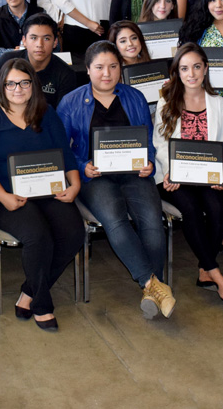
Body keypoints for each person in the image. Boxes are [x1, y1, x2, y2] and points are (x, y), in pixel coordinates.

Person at [57, 41, 174, 318]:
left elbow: (147, 141)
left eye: (112, 66)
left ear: (120, 68)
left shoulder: (134, 97)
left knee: (152, 224)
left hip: (134, 174)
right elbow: (61, 149)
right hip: (95, 179)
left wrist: (148, 162)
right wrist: (82, 165)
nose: (106, 73)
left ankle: (151, 291)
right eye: (99, 67)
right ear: (87, 70)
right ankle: (152, 284)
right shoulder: (71, 102)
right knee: (115, 219)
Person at [0, 59, 82, 330]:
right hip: (7, 195)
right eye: (10, 83)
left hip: (47, 190)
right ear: (2, 86)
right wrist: (3, 197)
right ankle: (42, 304)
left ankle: (30, 290)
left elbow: (66, 154)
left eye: (24, 82)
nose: (18, 89)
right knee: (38, 236)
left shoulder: (47, 114)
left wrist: (75, 185)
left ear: (33, 85)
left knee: (73, 234)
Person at [152, 44, 223, 304]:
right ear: (177, 72)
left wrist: (218, 173)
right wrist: (169, 172)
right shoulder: (166, 101)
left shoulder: (219, 103)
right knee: (190, 209)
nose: (191, 74)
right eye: (184, 68)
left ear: (206, 68)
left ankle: (204, 270)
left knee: (216, 208)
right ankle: (216, 273)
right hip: (174, 176)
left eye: (197, 67)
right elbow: (160, 143)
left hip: (206, 173)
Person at [0, 14, 76, 109]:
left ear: (55, 42)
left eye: (46, 39)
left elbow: (63, 115)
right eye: (33, 38)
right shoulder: (7, 60)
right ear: (24, 41)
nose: (39, 44)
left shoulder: (66, 74)